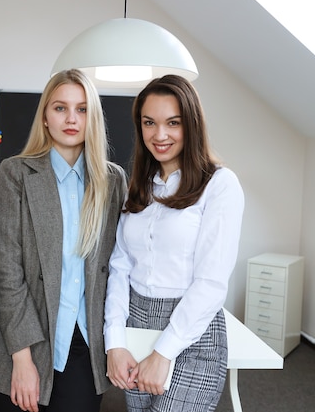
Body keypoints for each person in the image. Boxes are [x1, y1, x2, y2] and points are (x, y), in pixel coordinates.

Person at [0, 69, 127, 412]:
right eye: (60, 108)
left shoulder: (112, 180)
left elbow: (120, 265)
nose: (71, 118)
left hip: (84, 344)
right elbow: (7, 273)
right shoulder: (15, 174)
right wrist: (22, 359)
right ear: (45, 116)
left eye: (82, 109)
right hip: (21, 342)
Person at [104, 75, 245, 412]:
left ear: (192, 125)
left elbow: (210, 282)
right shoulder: (139, 186)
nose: (159, 135)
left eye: (173, 123)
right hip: (136, 324)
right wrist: (115, 342)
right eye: (149, 123)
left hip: (190, 333)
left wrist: (164, 352)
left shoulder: (220, 185)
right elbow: (120, 266)